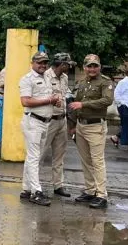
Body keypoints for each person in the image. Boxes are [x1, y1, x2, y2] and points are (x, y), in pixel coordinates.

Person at [69, 54, 114, 209]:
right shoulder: (81, 83)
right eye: (89, 66)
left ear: (99, 67)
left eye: (95, 66)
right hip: (81, 125)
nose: (92, 69)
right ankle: (90, 190)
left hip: (96, 126)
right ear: (84, 67)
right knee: (86, 160)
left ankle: (101, 194)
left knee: (98, 161)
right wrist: (73, 125)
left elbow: (107, 101)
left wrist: (83, 104)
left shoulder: (105, 82)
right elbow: (75, 104)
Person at [17, 52, 60, 206]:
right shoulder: (27, 79)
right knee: (35, 157)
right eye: (39, 62)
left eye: (45, 63)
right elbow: (26, 101)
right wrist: (49, 100)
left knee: (33, 157)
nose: (42, 65)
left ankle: (26, 189)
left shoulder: (47, 78)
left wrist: (54, 102)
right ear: (32, 63)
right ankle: (36, 192)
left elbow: (47, 98)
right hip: (33, 121)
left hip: (45, 122)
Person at [44, 53, 74, 197]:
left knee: (59, 156)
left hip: (62, 120)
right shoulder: (45, 76)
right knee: (39, 154)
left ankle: (58, 185)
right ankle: (32, 187)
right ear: (61, 64)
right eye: (67, 64)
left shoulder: (65, 78)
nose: (69, 66)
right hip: (48, 120)